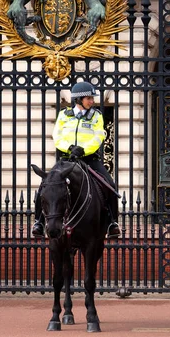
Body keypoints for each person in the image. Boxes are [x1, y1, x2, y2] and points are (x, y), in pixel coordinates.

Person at [31, 81, 121, 238]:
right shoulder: (64, 115)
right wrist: (70, 148)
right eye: (89, 98)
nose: (92, 101)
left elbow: (99, 136)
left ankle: (112, 223)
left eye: (92, 98)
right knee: (46, 185)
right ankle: (38, 222)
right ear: (79, 99)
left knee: (110, 185)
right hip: (66, 159)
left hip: (89, 159)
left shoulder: (96, 116)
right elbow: (57, 136)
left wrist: (83, 150)